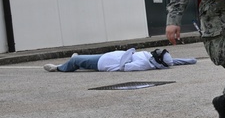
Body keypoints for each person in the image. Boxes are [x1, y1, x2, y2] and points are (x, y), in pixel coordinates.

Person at [43, 48, 195, 72]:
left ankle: (58, 68)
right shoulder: (152, 59)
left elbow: (124, 67)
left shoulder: (143, 64)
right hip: (109, 56)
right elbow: (175, 61)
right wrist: (191, 60)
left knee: (77, 61)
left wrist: (130, 52)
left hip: (104, 62)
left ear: (158, 59)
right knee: (81, 60)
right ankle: (76, 61)